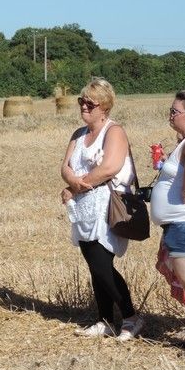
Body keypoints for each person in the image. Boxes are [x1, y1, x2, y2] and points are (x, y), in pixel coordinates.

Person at [60, 78, 143, 341]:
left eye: (89, 103)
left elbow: (110, 167)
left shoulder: (114, 131)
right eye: (81, 101)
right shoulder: (78, 134)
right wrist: (71, 181)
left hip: (105, 206)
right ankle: (105, 320)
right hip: (84, 207)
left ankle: (131, 317)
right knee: (94, 264)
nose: (83, 106)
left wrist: (75, 187)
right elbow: (65, 166)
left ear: (104, 107)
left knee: (101, 264)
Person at [150, 90, 185, 344]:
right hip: (177, 224)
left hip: (183, 224)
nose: (170, 115)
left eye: (175, 111)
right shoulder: (184, 141)